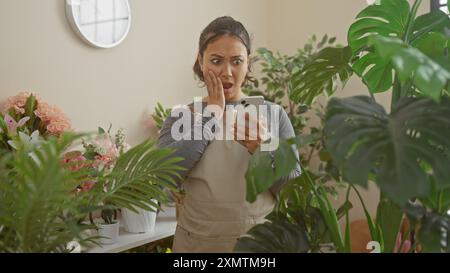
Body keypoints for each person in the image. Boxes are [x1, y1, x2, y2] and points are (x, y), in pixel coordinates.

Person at [157, 16, 301, 253]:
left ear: (248, 64)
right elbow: (165, 178)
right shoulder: (181, 116)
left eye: (237, 61)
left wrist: (265, 149)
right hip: (196, 243)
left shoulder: (272, 114)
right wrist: (211, 115)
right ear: (200, 61)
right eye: (216, 60)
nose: (227, 72)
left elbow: (293, 188)